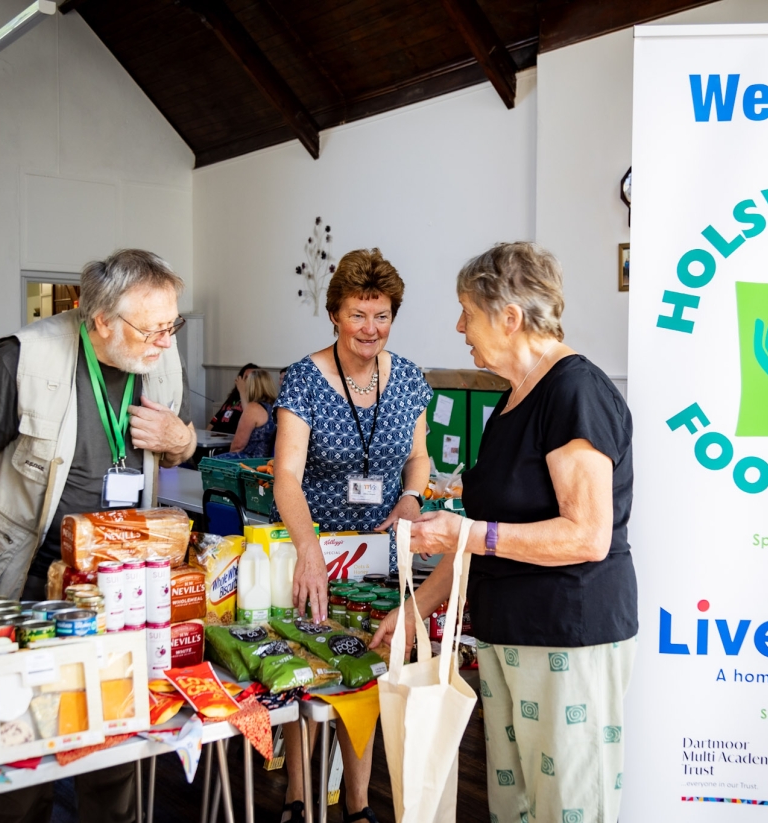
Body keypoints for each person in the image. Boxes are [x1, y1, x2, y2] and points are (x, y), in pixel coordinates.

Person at [372, 242, 637, 823]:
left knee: (568, 809)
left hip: (565, 637)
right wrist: (416, 608)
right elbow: (474, 535)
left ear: (509, 316)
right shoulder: (513, 398)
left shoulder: (575, 392)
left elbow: (587, 535)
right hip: (506, 638)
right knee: (514, 810)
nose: (459, 326)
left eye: (467, 310)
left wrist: (469, 533)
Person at [0, 248, 196, 823]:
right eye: (152, 327)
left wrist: (180, 439)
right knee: (19, 743)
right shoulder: (23, 360)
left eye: (171, 325)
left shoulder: (160, 355)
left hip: (118, 586)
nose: (164, 340)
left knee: (114, 742)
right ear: (100, 321)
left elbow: (181, 450)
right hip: (25, 579)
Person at [274, 248, 432, 823]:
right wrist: (309, 550)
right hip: (315, 548)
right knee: (307, 671)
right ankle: (297, 796)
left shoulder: (410, 378)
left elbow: (419, 457)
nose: (371, 329)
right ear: (335, 315)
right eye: (358, 315)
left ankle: (359, 805)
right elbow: (285, 474)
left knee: (364, 675)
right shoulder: (306, 378)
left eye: (382, 315)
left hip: (379, 560)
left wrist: (413, 496)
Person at [214, 367, 278, 460]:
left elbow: (238, 446)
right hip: (267, 461)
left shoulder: (253, 408)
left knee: (206, 463)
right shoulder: (275, 408)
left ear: (251, 386)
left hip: (248, 461)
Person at [208, 362, 260, 433]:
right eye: (246, 377)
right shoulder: (234, 397)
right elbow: (214, 420)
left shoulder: (258, 401)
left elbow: (248, 415)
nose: (248, 381)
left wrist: (242, 391)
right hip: (217, 436)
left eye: (251, 378)